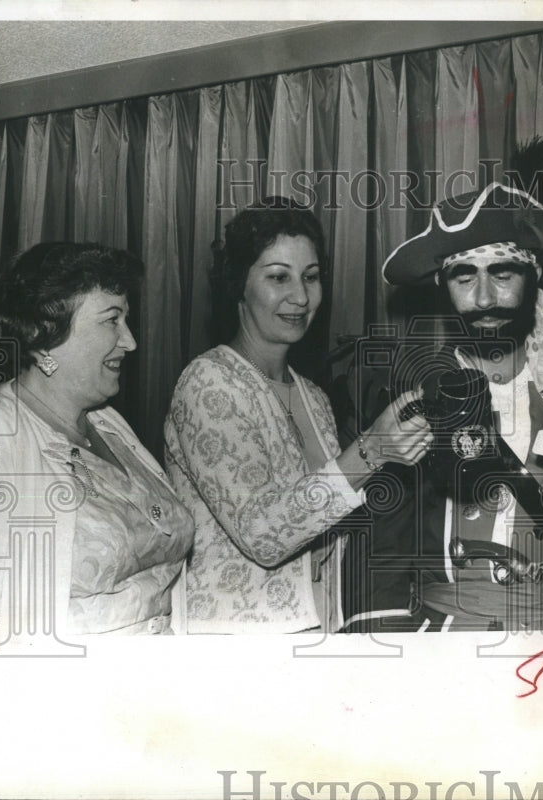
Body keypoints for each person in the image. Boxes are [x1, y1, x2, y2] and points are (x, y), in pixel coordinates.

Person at [342, 181, 543, 632]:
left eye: (503, 274)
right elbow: (379, 534)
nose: (485, 298)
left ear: (533, 278)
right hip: (437, 639)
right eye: (465, 276)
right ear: (443, 285)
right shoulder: (409, 395)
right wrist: (391, 648)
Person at [164, 197, 431, 633]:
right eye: (278, 278)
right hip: (235, 643)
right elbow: (262, 535)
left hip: (315, 632)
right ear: (238, 285)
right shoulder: (209, 382)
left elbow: (328, 516)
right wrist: (372, 450)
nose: (301, 297)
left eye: (311, 277)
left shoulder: (312, 395)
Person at [0, 242, 194, 636]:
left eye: (127, 320)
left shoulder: (108, 423)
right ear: (44, 336)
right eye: (111, 321)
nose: (131, 341)